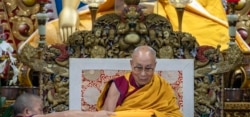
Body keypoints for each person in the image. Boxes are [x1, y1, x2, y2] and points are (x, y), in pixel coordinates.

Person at [20, 0, 249, 52]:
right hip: (114, 8)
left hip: (169, 7)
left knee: (213, 40)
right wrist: (69, 8)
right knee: (52, 33)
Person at [96, 45, 185, 117]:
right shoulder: (118, 85)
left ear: (155, 65)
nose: (143, 74)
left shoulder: (162, 86)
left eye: (148, 68)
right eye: (138, 68)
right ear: (131, 64)